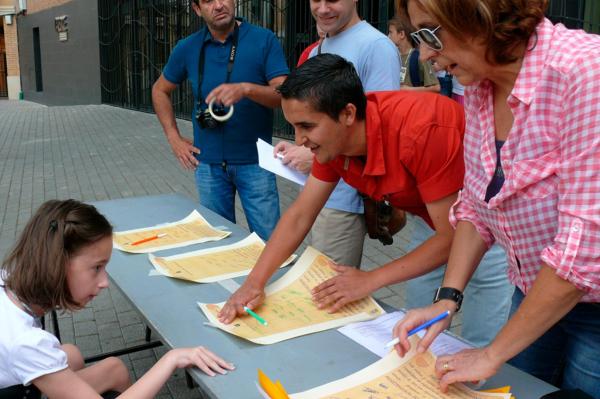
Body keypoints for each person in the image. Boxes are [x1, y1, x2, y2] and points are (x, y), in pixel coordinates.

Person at [392, 0, 600, 397]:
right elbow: (475, 204)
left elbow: (585, 247)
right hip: (536, 291)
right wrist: (448, 298)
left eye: (432, 33)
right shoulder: (480, 84)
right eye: (419, 38)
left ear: (480, 12)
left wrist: (492, 353)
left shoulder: (585, 71)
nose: (426, 54)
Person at [217, 54, 498, 346]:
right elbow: (301, 214)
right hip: (439, 222)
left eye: (307, 126)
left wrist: (371, 279)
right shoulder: (334, 143)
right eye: (294, 127)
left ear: (348, 114)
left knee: (482, 343)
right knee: (418, 333)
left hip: (492, 228)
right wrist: (253, 284)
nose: (300, 140)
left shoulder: (421, 128)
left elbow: (453, 235)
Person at [0, 200, 234, 398]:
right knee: (112, 368)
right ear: (57, 264)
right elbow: (28, 349)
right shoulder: (27, 342)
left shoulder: (10, 278)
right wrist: (171, 358)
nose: (104, 282)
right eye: (97, 268)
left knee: (72, 354)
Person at [274, 0, 401, 267]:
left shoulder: (376, 47)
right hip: (316, 191)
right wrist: (304, 146)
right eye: (315, 0)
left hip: (346, 198)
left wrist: (316, 155)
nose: (322, 9)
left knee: (327, 292)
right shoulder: (317, 50)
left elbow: (382, 130)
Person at [152, 0, 289, 241]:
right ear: (196, 9)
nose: (218, 5)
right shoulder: (188, 47)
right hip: (209, 167)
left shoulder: (263, 40)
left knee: (270, 243)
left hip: (256, 163)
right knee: (219, 244)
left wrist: (247, 89)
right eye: (207, 1)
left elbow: (285, 95)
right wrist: (173, 138)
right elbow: (159, 90)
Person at [388, 15, 439, 92]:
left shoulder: (419, 57)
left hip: (414, 102)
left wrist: (409, 90)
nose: (388, 36)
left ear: (401, 34)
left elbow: (436, 88)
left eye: (391, 32)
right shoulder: (393, 56)